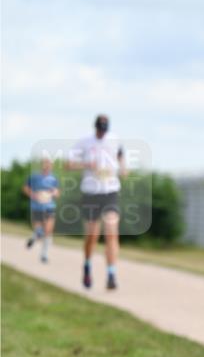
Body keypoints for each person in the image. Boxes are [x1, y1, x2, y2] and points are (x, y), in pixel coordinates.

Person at [68, 115, 127, 290]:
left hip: (110, 191)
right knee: (92, 236)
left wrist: (122, 168)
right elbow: (69, 164)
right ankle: (87, 265)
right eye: (99, 129)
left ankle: (111, 274)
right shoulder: (84, 142)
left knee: (111, 232)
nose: (102, 133)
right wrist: (87, 165)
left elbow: (122, 160)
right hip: (91, 193)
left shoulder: (115, 140)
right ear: (95, 128)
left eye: (104, 129)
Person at [23, 157, 60, 263]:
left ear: (51, 166)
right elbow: (26, 188)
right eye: (45, 163)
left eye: (49, 164)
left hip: (49, 207)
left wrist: (53, 193)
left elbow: (57, 193)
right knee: (39, 231)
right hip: (37, 207)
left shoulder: (54, 178)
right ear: (42, 165)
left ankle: (44, 255)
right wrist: (33, 195)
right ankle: (35, 237)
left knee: (48, 231)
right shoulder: (34, 176)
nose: (47, 166)